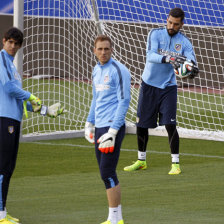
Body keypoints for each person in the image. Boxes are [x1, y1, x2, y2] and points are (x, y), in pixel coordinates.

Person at [0, 27, 66, 224]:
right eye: (10, 42)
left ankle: (2, 210)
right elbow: (9, 88)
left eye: (16, 43)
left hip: (13, 119)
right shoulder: (2, 59)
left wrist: (46, 110)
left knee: (8, 168)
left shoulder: (13, 68)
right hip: (4, 120)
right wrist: (30, 95)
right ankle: (1, 215)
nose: (12, 46)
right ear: (4, 41)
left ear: (20, 46)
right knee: (3, 167)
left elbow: (22, 99)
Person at [123, 8, 198, 175]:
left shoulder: (184, 42)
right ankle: (141, 160)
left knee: (170, 124)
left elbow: (191, 60)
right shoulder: (155, 34)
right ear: (167, 20)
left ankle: (176, 164)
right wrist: (170, 58)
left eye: (176, 24)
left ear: (181, 24)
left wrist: (191, 68)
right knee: (141, 125)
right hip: (149, 85)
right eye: (170, 22)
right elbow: (150, 55)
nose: (171, 26)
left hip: (168, 87)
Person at [85, 35, 131, 224]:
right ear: (94, 50)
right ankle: (115, 218)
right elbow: (96, 98)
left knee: (107, 172)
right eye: (100, 49)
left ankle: (115, 219)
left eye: (107, 49)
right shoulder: (96, 70)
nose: (103, 52)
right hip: (100, 127)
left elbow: (124, 101)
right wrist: (89, 122)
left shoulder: (119, 70)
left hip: (113, 127)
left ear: (112, 50)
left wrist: (113, 131)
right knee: (104, 173)